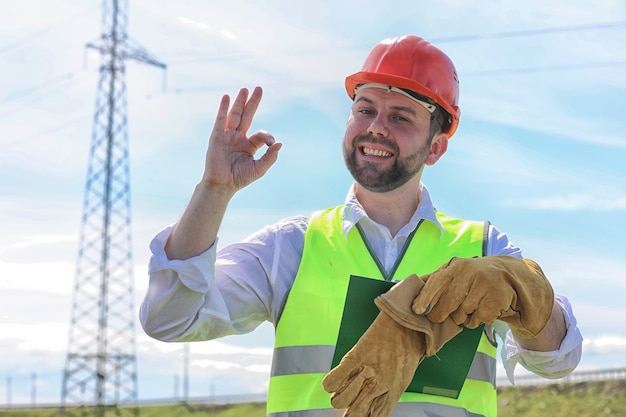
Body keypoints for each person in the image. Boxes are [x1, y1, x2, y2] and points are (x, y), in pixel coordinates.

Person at [139, 35, 583, 417]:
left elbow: (557, 361)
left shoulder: (483, 247)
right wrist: (214, 189)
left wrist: (519, 288)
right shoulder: (292, 246)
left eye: (401, 117)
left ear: (436, 147)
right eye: (365, 109)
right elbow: (170, 320)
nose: (375, 128)